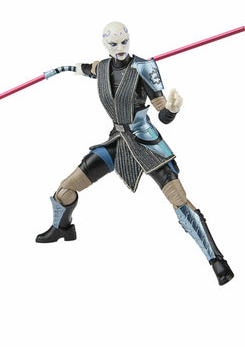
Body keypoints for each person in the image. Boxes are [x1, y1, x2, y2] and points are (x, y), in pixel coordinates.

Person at [36, 21, 234, 285]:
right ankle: (62, 229)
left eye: (124, 41)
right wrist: (57, 70)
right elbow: (81, 68)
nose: (120, 47)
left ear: (130, 40)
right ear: (105, 45)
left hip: (146, 141)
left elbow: (162, 113)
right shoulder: (101, 67)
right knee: (64, 190)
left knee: (179, 199)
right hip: (117, 142)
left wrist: (171, 110)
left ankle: (216, 260)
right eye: (113, 43)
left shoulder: (143, 68)